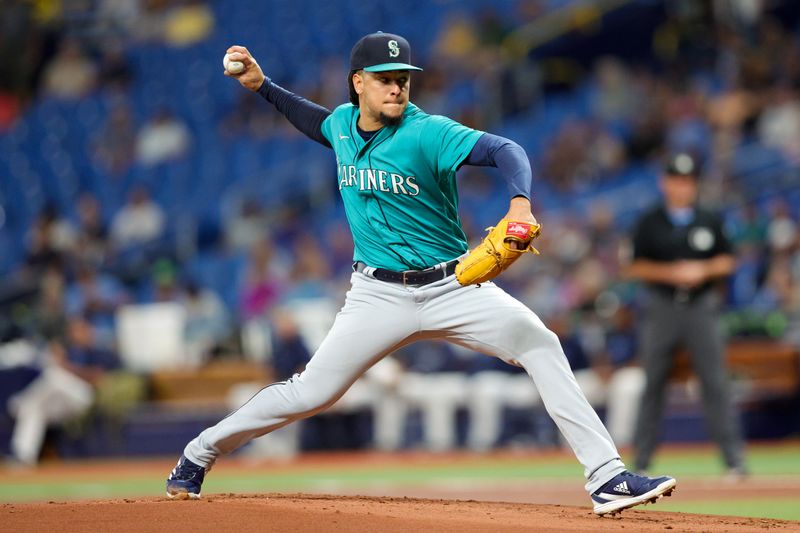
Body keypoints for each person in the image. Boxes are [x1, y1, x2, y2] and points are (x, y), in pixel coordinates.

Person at [166, 32, 675, 515]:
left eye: (403, 78)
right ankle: (199, 451)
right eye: (384, 77)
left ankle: (606, 477)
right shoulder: (343, 124)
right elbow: (314, 121)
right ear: (357, 82)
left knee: (540, 344)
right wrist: (263, 87)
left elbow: (506, 150)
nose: (397, 86)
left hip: (454, 285)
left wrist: (520, 201)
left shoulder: (427, 131)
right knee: (311, 393)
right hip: (376, 295)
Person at [626, 152, 746, 476]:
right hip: (662, 306)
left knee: (715, 381)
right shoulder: (650, 221)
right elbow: (635, 265)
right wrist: (673, 273)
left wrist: (701, 269)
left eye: (688, 181)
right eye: (676, 181)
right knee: (653, 382)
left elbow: (729, 260)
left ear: (695, 185)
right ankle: (642, 460)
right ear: (665, 183)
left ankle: (734, 460)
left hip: (701, 305)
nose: (682, 187)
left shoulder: (710, 218)